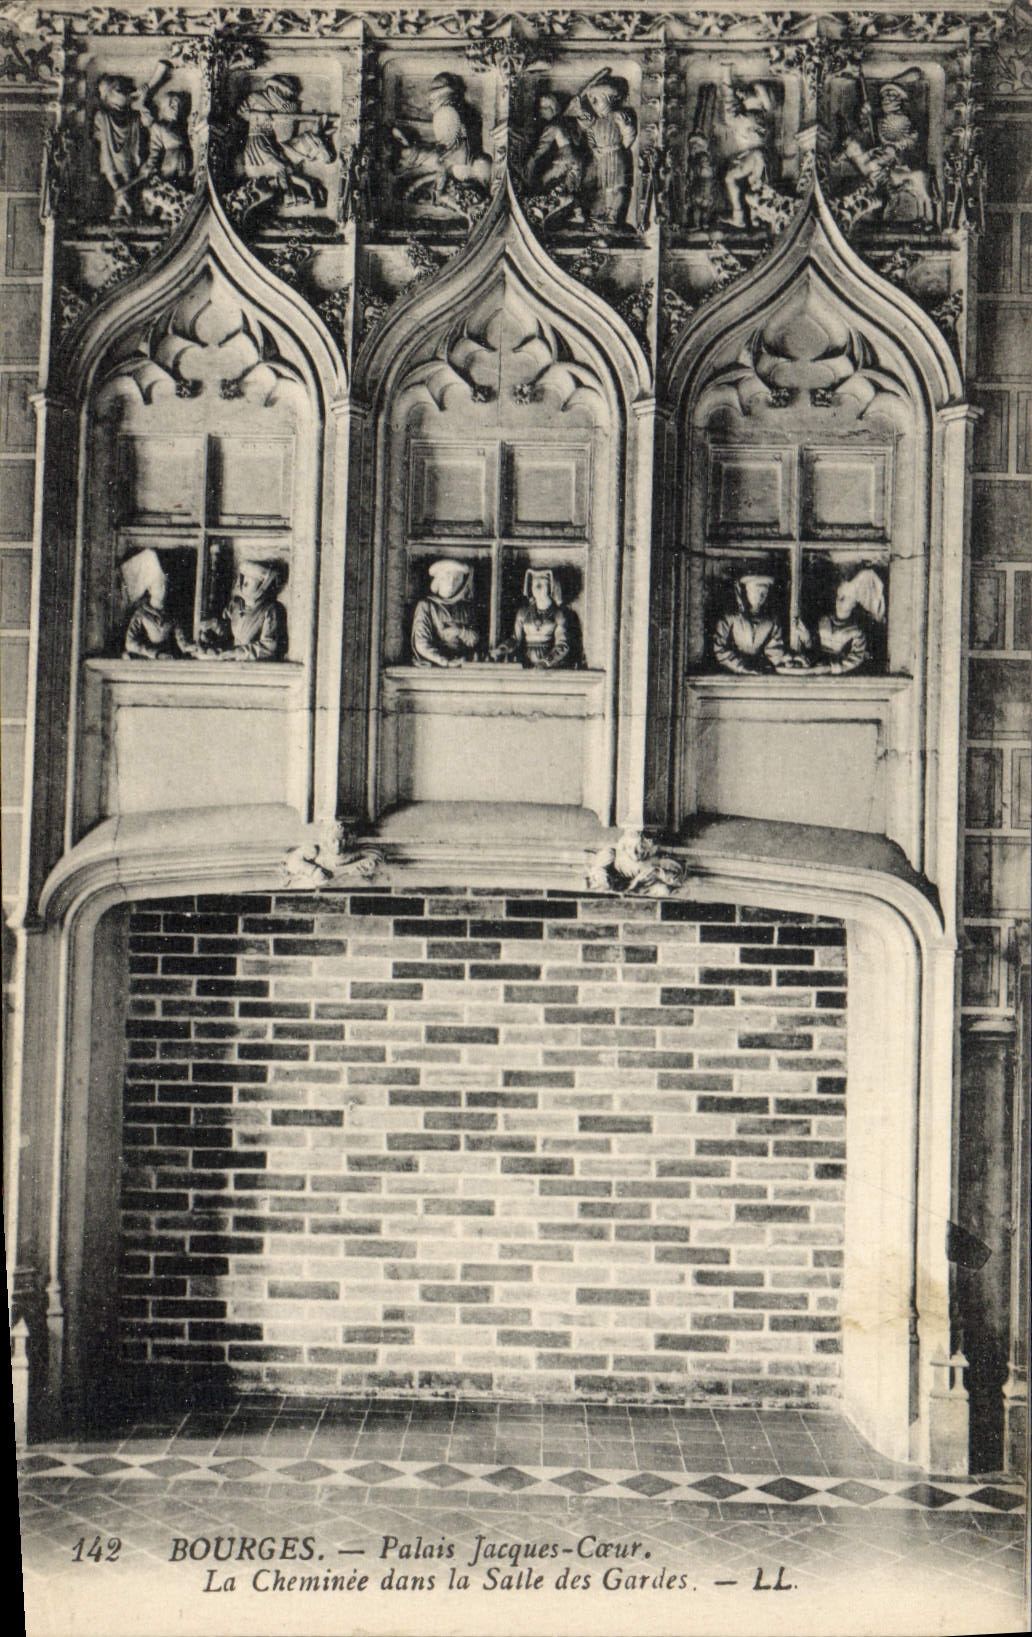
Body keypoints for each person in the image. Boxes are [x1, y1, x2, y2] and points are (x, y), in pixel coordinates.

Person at [393, 72, 491, 207]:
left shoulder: (443, 118)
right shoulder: (444, 120)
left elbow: (441, 168)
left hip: (457, 155)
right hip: (459, 159)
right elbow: (441, 170)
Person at [566, 69, 637, 229]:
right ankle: (604, 214)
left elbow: (629, 132)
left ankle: (613, 215)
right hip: (601, 156)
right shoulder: (594, 120)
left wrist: (621, 147)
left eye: (596, 99)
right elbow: (588, 131)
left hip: (615, 155)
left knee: (617, 186)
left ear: (608, 99)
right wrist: (577, 107)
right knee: (604, 187)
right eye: (592, 100)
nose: (593, 103)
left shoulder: (617, 115)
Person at [187, 561, 288, 662]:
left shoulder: (271, 609)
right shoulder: (236, 605)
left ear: (262, 584)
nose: (244, 583)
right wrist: (216, 626)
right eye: (244, 578)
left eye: (251, 580)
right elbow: (228, 632)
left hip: (253, 666)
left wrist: (235, 653)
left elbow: (269, 647)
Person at [796, 568, 885, 675]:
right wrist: (807, 639)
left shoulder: (857, 632)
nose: (840, 600)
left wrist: (831, 668)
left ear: (854, 603)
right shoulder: (823, 621)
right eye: (839, 595)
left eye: (846, 598)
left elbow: (855, 659)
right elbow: (813, 650)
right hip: (816, 672)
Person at [712, 571, 800, 674]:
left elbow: (774, 650)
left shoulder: (771, 621)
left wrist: (789, 660)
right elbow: (719, 649)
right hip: (731, 672)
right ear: (746, 592)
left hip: (758, 671)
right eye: (756, 591)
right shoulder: (730, 619)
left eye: (764, 592)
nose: (760, 596)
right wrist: (741, 667)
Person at [491, 568, 580, 669]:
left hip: (550, 666)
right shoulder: (523, 613)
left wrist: (546, 662)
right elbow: (515, 639)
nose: (537, 587)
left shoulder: (558, 614)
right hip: (526, 663)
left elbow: (562, 645)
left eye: (543, 583)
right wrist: (503, 649)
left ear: (551, 586)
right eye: (534, 583)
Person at [93, 73, 148, 218]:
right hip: (108, 152)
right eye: (119, 90)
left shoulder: (133, 117)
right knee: (110, 170)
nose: (124, 93)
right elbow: (98, 135)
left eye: (125, 90)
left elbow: (145, 121)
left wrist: (142, 98)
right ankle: (123, 205)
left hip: (127, 152)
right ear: (108, 96)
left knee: (127, 171)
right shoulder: (103, 116)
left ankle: (121, 205)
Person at [410, 559, 481, 667]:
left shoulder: (465, 608)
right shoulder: (426, 605)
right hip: (437, 665)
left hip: (464, 663)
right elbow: (421, 643)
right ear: (438, 580)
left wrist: (460, 631)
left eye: (456, 579)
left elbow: (475, 639)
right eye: (447, 577)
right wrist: (445, 661)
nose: (451, 583)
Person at [121, 549, 179, 659]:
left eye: (166, 586)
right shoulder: (141, 614)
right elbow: (130, 643)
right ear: (150, 589)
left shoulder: (172, 615)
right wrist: (155, 654)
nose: (163, 591)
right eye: (159, 586)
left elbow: (182, 641)